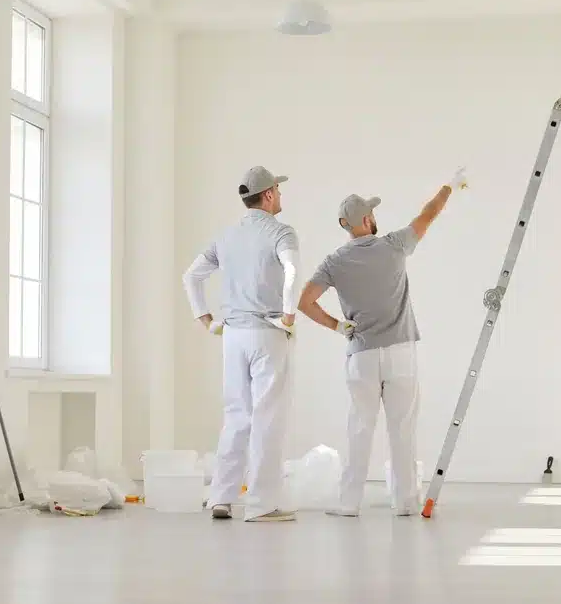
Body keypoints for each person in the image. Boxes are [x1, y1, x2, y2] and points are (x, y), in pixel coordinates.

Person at [297, 168, 468, 516]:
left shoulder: (335, 262)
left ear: (345, 225)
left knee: (360, 427)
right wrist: (450, 185)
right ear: (368, 218)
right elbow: (429, 213)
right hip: (401, 352)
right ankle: (405, 502)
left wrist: (336, 326)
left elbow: (304, 302)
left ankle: (348, 503)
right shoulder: (394, 245)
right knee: (402, 428)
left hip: (361, 355)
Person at [182, 165, 300, 522]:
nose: (280, 195)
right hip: (267, 332)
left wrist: (205, 318)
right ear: (267, 195)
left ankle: (221, 497)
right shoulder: (282, 232)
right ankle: (262, 504)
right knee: (268, 417)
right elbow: (293, 271)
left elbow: (191, 277)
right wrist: (290, 314)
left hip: (232, 336)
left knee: (236, 415)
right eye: (277, 190)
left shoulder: (226, 235)